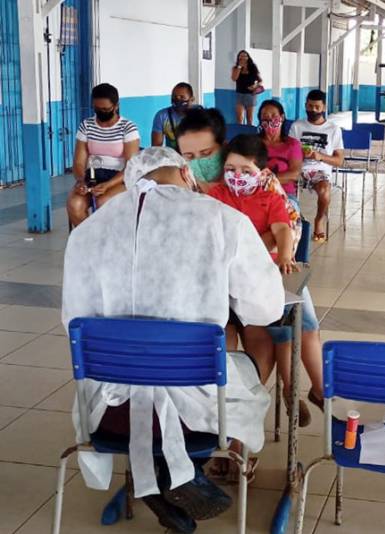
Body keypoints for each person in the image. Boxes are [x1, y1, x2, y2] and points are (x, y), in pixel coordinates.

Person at [62, 147, 285, 533]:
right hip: (197, 415)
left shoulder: (88, 232)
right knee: (243, 368)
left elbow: (73, 323)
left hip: (110, 411)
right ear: (185, 173)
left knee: (144, 377)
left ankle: (158, 471)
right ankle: (180, 468)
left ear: (132, 181)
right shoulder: (223, 220)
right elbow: (265, 309)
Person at [208, 134, 324, 427]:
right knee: (270, 331)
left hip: (268, 272)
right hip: (228, 279)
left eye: (245, 170)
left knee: (303, 322)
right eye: (231, 169)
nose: (237, 176)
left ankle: (310, 390)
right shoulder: (216, 195)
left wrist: (284, 256)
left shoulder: (270, 197)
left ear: (261, 172)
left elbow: (283, 230)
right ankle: (248, 402)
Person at [67, 83, 140, 227]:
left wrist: (108, 185)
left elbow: (130, 166)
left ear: (116, 106)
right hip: (92, 177)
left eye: (106, 109)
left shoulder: (128, 128)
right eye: (97, 109)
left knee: (103, 202)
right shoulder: (86, 126)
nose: (101, 113)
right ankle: (90, 238)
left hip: (119, 179)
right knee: (74, 204)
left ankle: (108, 238)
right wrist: (81, 181)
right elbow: (79, 162)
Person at [289, 89, 345, 241]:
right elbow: (289, 152)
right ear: (305, 105)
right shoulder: (297, 126)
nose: (313, 110)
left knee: (325, 191)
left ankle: (319, 219)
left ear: (324, 108)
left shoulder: (333, 129)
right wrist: (300, 154)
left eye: (317, 107)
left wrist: (320, 156)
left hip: (320, 171)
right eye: (309, 106)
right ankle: (290, 222)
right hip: (298, 168)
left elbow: (339, 160)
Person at [258, 99, 303, 198]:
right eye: (265, 116)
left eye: (273, 115)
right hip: (257, 194)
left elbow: (295, 174)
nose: (269, 119)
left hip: (285, 194)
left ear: (282, 117)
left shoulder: (292, 144)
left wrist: (264, 180)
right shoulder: (253, 143)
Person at [175, 107, 226, 193]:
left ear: (224, 147)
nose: (197, 161)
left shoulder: (244, 183)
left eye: (206, 153)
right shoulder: (181, 188)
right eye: (189, 156)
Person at [152, 82, 197, 150]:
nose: (178, 100)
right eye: (175, 97)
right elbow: (156, 148)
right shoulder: (162, 116)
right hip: (172, 155)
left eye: (182, 97)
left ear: (192, 99)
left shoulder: (200, 115)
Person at [231, 50, 263, 125]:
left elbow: (260, 81)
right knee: (239, 118)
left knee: (249, 118)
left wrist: (255, 86)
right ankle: (240, 131)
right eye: (241, 56)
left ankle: (249, 131)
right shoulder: (235, 68)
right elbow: (234, 78)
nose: (243, 57)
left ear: (248, 57)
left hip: (250, 95)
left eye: (245, 56)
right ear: (238, 57)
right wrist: (239, 66)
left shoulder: (253, 68)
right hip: (240, 94)